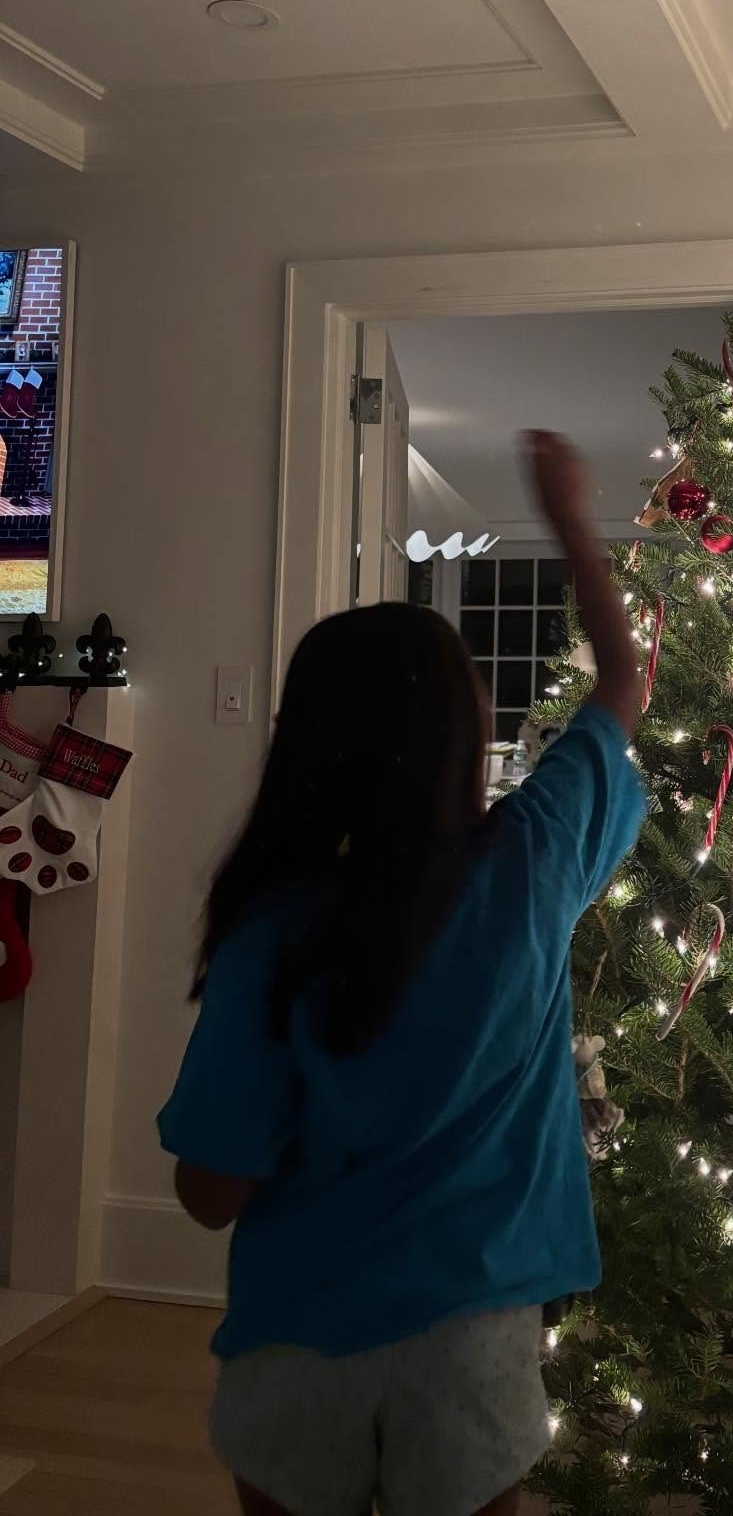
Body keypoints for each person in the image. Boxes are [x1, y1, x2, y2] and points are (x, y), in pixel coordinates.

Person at [158, 432, 646, 1516]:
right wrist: (573, 522)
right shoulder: (534, 861)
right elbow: (621, 683)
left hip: (298, 1340)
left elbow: (209, 1193)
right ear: (464, 735)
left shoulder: (271, 929)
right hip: (473, 1339)